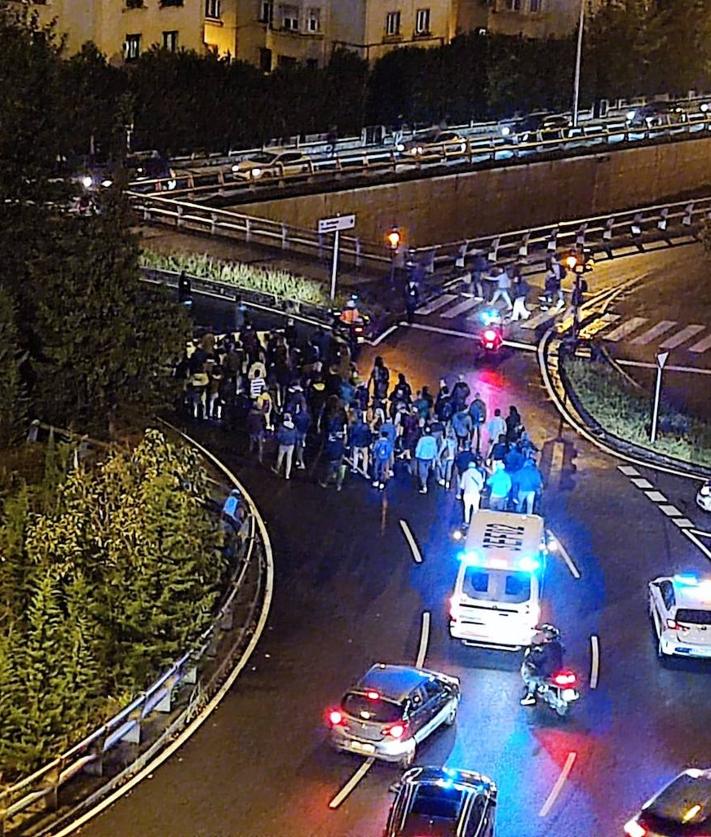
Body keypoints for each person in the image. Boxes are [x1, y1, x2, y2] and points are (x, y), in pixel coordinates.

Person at [521, 625, 564, 706]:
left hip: (546, 672)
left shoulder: (545, 648)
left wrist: (530, 659)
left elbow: (538, 658)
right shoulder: (559, 645)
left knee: (532, 678)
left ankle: (530, 696)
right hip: (558, 670)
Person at [414, 426, 438, 494]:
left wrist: (416, 455)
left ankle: (424, 485)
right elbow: (435, 448)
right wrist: (435, 456)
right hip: (429, 457)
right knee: (426, 470)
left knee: (422, 472)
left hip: (422, 457)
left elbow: (418, 448)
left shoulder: (422, 439)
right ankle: (425, 483)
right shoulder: (433, 439)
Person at [274, 414, 297, 480]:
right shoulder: (294, 427)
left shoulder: (281, 427)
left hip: (283, 444)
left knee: (280, 457)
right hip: (291, 445)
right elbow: (296, 435)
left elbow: (278, 436)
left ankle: (277, 469)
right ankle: (287, 475)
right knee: (289, 460)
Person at [349, 412, 372, 476]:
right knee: (365, 457)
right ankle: (365, 471)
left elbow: (352, 435)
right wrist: (369, 442)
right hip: (364, 444)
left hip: (356, 443)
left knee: (355, 455)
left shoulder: (354, 426)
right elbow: (369, 435)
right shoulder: (366, 426)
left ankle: (354, 468)